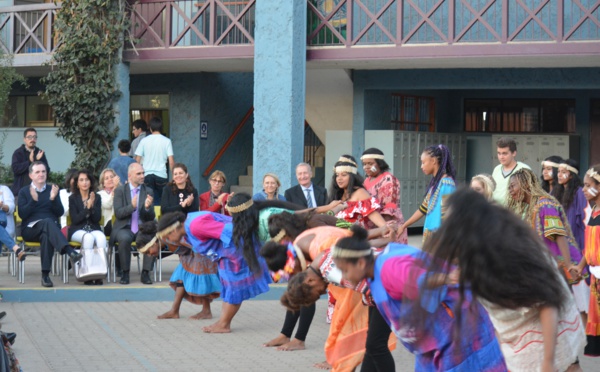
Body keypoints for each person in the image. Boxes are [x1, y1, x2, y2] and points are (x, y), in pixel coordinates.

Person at [425, 189, 585, 371]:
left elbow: (547, 304)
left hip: (544, 334)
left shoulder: (510, 253)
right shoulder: (481, 247)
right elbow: (458, 274)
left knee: (567, 367)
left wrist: (547, 362)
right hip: (520, 338)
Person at [261, 220, 394, 370]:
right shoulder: (320, 258)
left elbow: (368, 289)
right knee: (372, 344)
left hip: (388, 281)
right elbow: (353, 243)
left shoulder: (330, 270)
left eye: (318, 293)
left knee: (375, 345)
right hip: (386, 276)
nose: (324, 292)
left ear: (310, 280)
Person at [507, 168, 589, 313]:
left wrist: (569, 265)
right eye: (509, 187)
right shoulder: (534, 207)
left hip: (569, 269)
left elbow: (559, 235)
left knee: (578, 315)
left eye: (513, 186)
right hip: (556, 270)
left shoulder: (544, 205)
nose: (510, 191)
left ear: (526, 185)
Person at [181, 205, 272, 333]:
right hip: (228, 253)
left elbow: (229, 230)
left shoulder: (195, 225)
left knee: (234, 289)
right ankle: (222, 322)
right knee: (228, 289)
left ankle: (224, 324)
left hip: (236, 252)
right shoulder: (190, 221)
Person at [136, 212, 221, 320]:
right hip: (189, 254)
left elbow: (193, 242)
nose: (149, 255)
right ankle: (174, 311)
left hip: (200, 251)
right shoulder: (165, 239)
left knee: (200, 278)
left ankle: (206, 311)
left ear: (154, 243)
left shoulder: (168, 236)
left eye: (148, 251)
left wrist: (198, 256)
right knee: (180, 277)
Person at [17, 161, 83, 287]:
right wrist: (33, 200)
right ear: (31, 175)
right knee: (47, 222)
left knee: (46, 235)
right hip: (30, 230)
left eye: (43, 171)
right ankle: (69, 251)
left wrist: (53, 199)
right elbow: (22, 215)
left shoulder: (52, 190)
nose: (41, 174)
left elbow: (59, 212)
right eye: (37, 172)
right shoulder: (24, 192)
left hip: (49, 230)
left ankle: (45, 275)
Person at [398, 144, 456, 242]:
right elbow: (422, 209)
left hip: (440, 239)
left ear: (433, 161)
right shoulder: (435, 184)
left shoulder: (447, 184)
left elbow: (448, 216)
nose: (421, 166)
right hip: (431, 238)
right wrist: (403, 226)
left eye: (423, 162)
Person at [109, 162, 155, 285]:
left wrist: (146, 208)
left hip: (142, 227)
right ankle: (125, 272)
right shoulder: (120, 191)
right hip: (125, 227)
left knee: (151, 238)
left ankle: (146, 273)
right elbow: (118, 213)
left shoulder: (148, 190)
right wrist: (132, 207)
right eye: (139, 173)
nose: (142, 176)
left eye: (143, 173)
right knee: (124, 239)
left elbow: (151, 217)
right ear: (130, 176)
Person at [318, 156, 389, 230]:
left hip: (354, 239)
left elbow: (376, 218)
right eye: (337, 175)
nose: (339, 178)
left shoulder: (360, 193)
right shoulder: (337, 195)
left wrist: (387, 229)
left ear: (352, 177)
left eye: (344, 175)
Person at [67, 169, 106, 285]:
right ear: (77, 184)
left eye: (87, 180)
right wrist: (87, 208)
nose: (85, 182)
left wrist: (92, 206)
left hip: (93, 228)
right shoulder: (73, 198)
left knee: (101, 238)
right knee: (88, 238)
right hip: (77, 230)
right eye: (81, 180)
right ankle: (87, 273)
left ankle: (100, 273)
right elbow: (76, 219)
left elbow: (96, 219)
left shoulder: (97, 197)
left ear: (90, 182)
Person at [361, 148, 407, 243]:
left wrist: (384, 229)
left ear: (380, 163)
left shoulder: (388, 179)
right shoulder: (366, 181)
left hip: (388, 226)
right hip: (373, 228)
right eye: (364, 164)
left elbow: (389, 207)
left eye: (370, 163)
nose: (366, 167)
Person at [577, 165, 600, 356]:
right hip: (595, 278)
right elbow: (589, 248)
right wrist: (580, 266)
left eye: (587, 185)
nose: (583, 190)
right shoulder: (593, 211)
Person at [134, 116, 174, 206]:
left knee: (148, 201)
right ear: (161, 128)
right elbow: (171, 161)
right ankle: (162, 219)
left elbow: (137, 160)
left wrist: (136, 175)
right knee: (163, 201)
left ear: (150, 129)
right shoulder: (167, 141)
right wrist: (173, 177)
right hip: (161, 175)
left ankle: (150, 219)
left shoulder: (144, 141)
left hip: (147, 175)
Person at [555, 160, 588, 254]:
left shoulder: (579, 192)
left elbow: (583, 219)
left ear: (572, 176)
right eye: (558, 171)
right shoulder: (558, 192)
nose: (559, 175)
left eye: (563, 172)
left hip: (576, 237)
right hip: (562, 237)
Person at [11, 128, 50, 196]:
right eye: (29, 137)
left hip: (39, 191)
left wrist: (37, 161)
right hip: (21, 191)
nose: (32, 139)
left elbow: (47, 170)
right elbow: (15, 169)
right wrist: (29, 162)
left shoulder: (39, 152)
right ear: (24, 139)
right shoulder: (18, 153)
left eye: (34, 137)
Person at [492, 137, 530, 204]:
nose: (501, 157)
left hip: (516, 212)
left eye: (504, 153)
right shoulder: (497, 169)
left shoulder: (524, 169)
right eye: (499, 153)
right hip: (497, 211)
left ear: (514, 153)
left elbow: (530, 194)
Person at [0, 184, 21, 261]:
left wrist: (2, 206)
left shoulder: (4, 189)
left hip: (6, 227)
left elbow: (11, 207)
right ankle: (15, 247)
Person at [97, 168, 121, 237]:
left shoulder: (121, 191)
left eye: (112, 177)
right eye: (106, 178)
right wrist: (115, 187)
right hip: (108, 225)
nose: (110, 179)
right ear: (103, 183)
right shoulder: (100, 194)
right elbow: (108, 205)